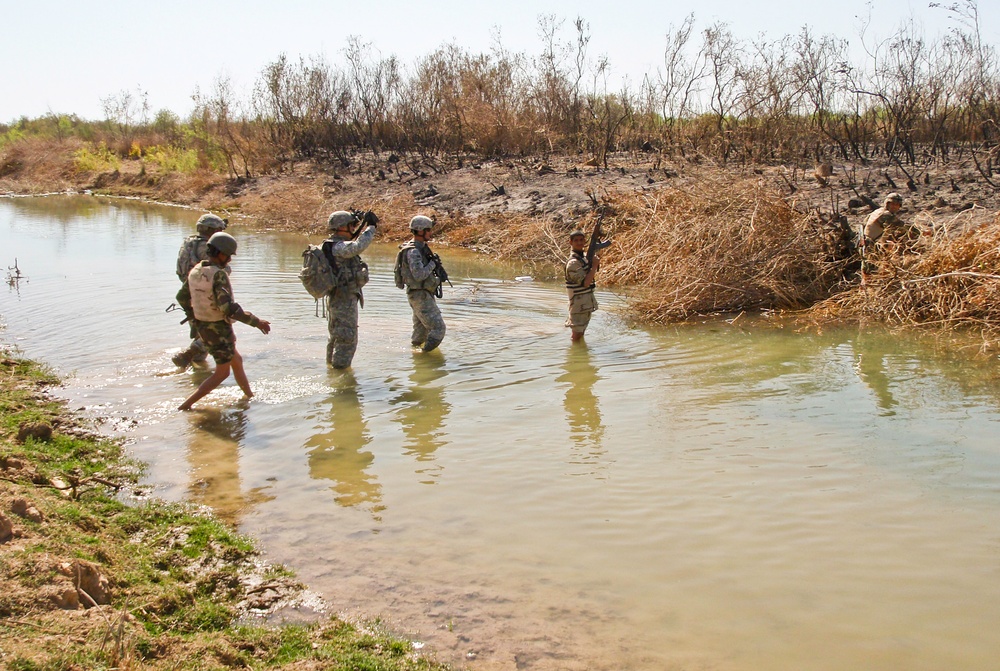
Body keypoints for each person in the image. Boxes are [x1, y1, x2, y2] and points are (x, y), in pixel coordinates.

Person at [176, 232, 271, 411]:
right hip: (219, 329)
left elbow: (181, 297)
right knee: (222, 373)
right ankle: (186, 405)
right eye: (228, 256)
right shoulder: (218, 274)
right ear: (220, 253)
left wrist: (195, 316)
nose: (229, 260)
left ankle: (249, 396)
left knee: (236, 359)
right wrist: (256, 322)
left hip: (203, 326)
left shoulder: (195, 270)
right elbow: (228, 308)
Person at [322, 210, 377, 368]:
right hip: (343, 300)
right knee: (347, 338)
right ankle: (341, 378)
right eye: (351, 225)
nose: (354, 228)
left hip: (338, 299)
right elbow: (358, 246)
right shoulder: (338, 247)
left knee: (336, 336)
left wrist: (362, 224)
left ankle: (332, 368)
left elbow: (353, 243)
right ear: (342, 227)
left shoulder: (333, 245)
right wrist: (371, 227)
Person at [173, 213, 228, 368]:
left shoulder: (188, 243)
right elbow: (218, 271)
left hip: (189, 291)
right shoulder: (207, 247)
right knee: (217, 330)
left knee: (200, 333)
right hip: (204, 294)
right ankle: (188, 354)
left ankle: (197, 372)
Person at [395, 215, 446, 352]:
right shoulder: (414, 251)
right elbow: (419, 275)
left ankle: (415, 355)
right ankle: (424, 357)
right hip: (420, 295)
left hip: (422, 294)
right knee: (438, 329)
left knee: (420, 334)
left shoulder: (421, 248)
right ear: (420, 231)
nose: (430, 232)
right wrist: (433, 264)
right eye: (428, 229)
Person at [564, 230, 601, 342]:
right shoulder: (573, 263)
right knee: (577, 335)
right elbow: (585, 283)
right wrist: (594, 266)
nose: (579, 243)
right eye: (576, 240)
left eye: (582, 240)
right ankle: (575, 357)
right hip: (578, 303)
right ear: (570, 242)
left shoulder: (583, 258)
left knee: (581, 332)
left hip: (585, 302)